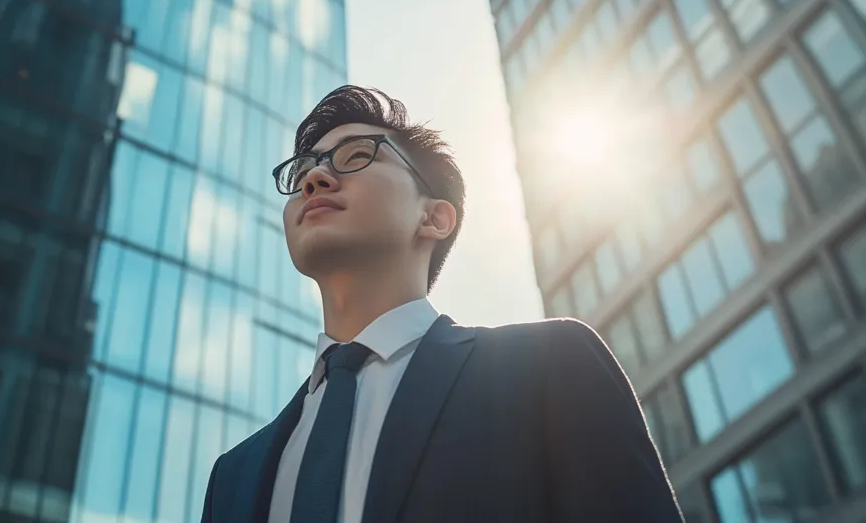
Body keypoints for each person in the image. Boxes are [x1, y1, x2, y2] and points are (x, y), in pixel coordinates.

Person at [200, 85, 684, 523]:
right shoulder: (233, 477)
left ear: (433, 217)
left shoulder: (549, 367)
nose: (315, 179)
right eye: (304, 170)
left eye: (356, 156)